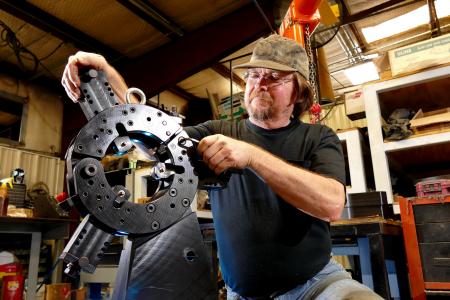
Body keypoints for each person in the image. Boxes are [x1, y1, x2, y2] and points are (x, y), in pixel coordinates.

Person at [62, 34, 382, 300]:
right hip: (240, 295)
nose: (260, 83)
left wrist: (252, 156)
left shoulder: (317, 136)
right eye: (254, 75)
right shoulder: (219, 131)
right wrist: (105, 72)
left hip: (316, 286)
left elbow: (330, 204)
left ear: (298, 91)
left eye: (274, 77)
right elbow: (150, 133)